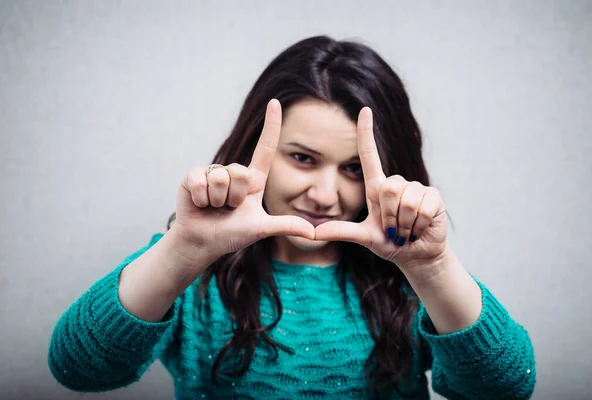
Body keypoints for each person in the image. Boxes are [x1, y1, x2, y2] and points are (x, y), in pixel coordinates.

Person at [48, 35, 536, 399]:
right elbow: (76, 368)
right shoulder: (194, 269)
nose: (323, 194)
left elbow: (509, 387)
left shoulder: (409, 281)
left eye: (351, 169)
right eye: (302, 158)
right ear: (258, 147)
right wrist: (184, 251)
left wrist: (431, 269)